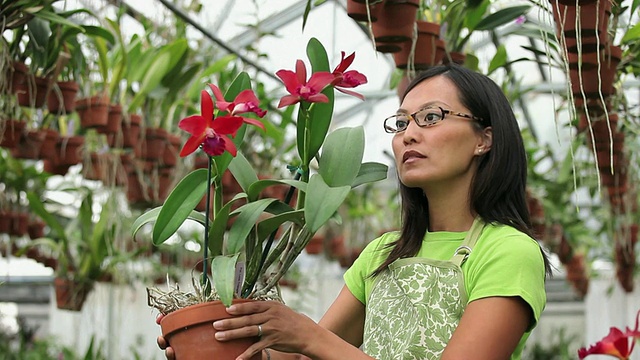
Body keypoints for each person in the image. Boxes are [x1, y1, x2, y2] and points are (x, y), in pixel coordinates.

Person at [157, 63, 550, 360]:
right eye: (401, 123)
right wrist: (220, 341)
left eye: (431, 117)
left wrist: (308, 334)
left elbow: (318, 344)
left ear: (484, 139)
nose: (408, 133)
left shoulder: (507, 251)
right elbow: (302, 358)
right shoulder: (383, 253)